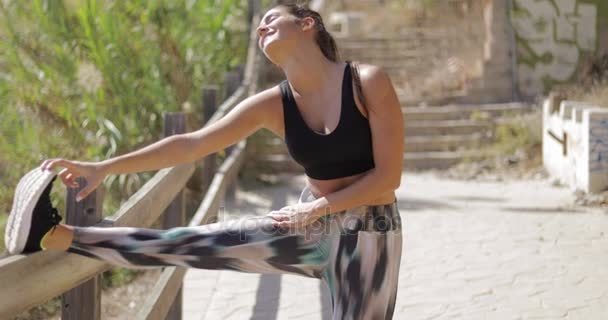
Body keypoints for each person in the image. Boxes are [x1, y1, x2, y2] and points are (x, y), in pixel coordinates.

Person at [6, 3, 404, 319]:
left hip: (369, 231)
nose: (260, 28)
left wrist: (318, 208)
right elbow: (191, 145)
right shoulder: (273, 104)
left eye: (271, 19)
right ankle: (52, 234)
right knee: (185, 243)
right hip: (305, 227)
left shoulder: (366, 82)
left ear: (308, 24)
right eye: (258, 27)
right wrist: (103, 168)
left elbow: (388, 179)